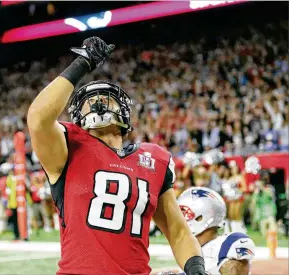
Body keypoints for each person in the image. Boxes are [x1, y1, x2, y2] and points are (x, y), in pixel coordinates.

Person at [28, 36, 206, 275]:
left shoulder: (155, 159)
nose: (99, 104)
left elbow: (178, 230)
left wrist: (196, 268)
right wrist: (83, 62)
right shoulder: (69, 148)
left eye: (106, 100)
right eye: (90, 102)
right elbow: (38, 118)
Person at [176, 187, 255, 275]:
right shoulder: (187, 252)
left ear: (202, 216)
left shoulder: (226, 246)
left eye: (184, 213)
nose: (179, 218)